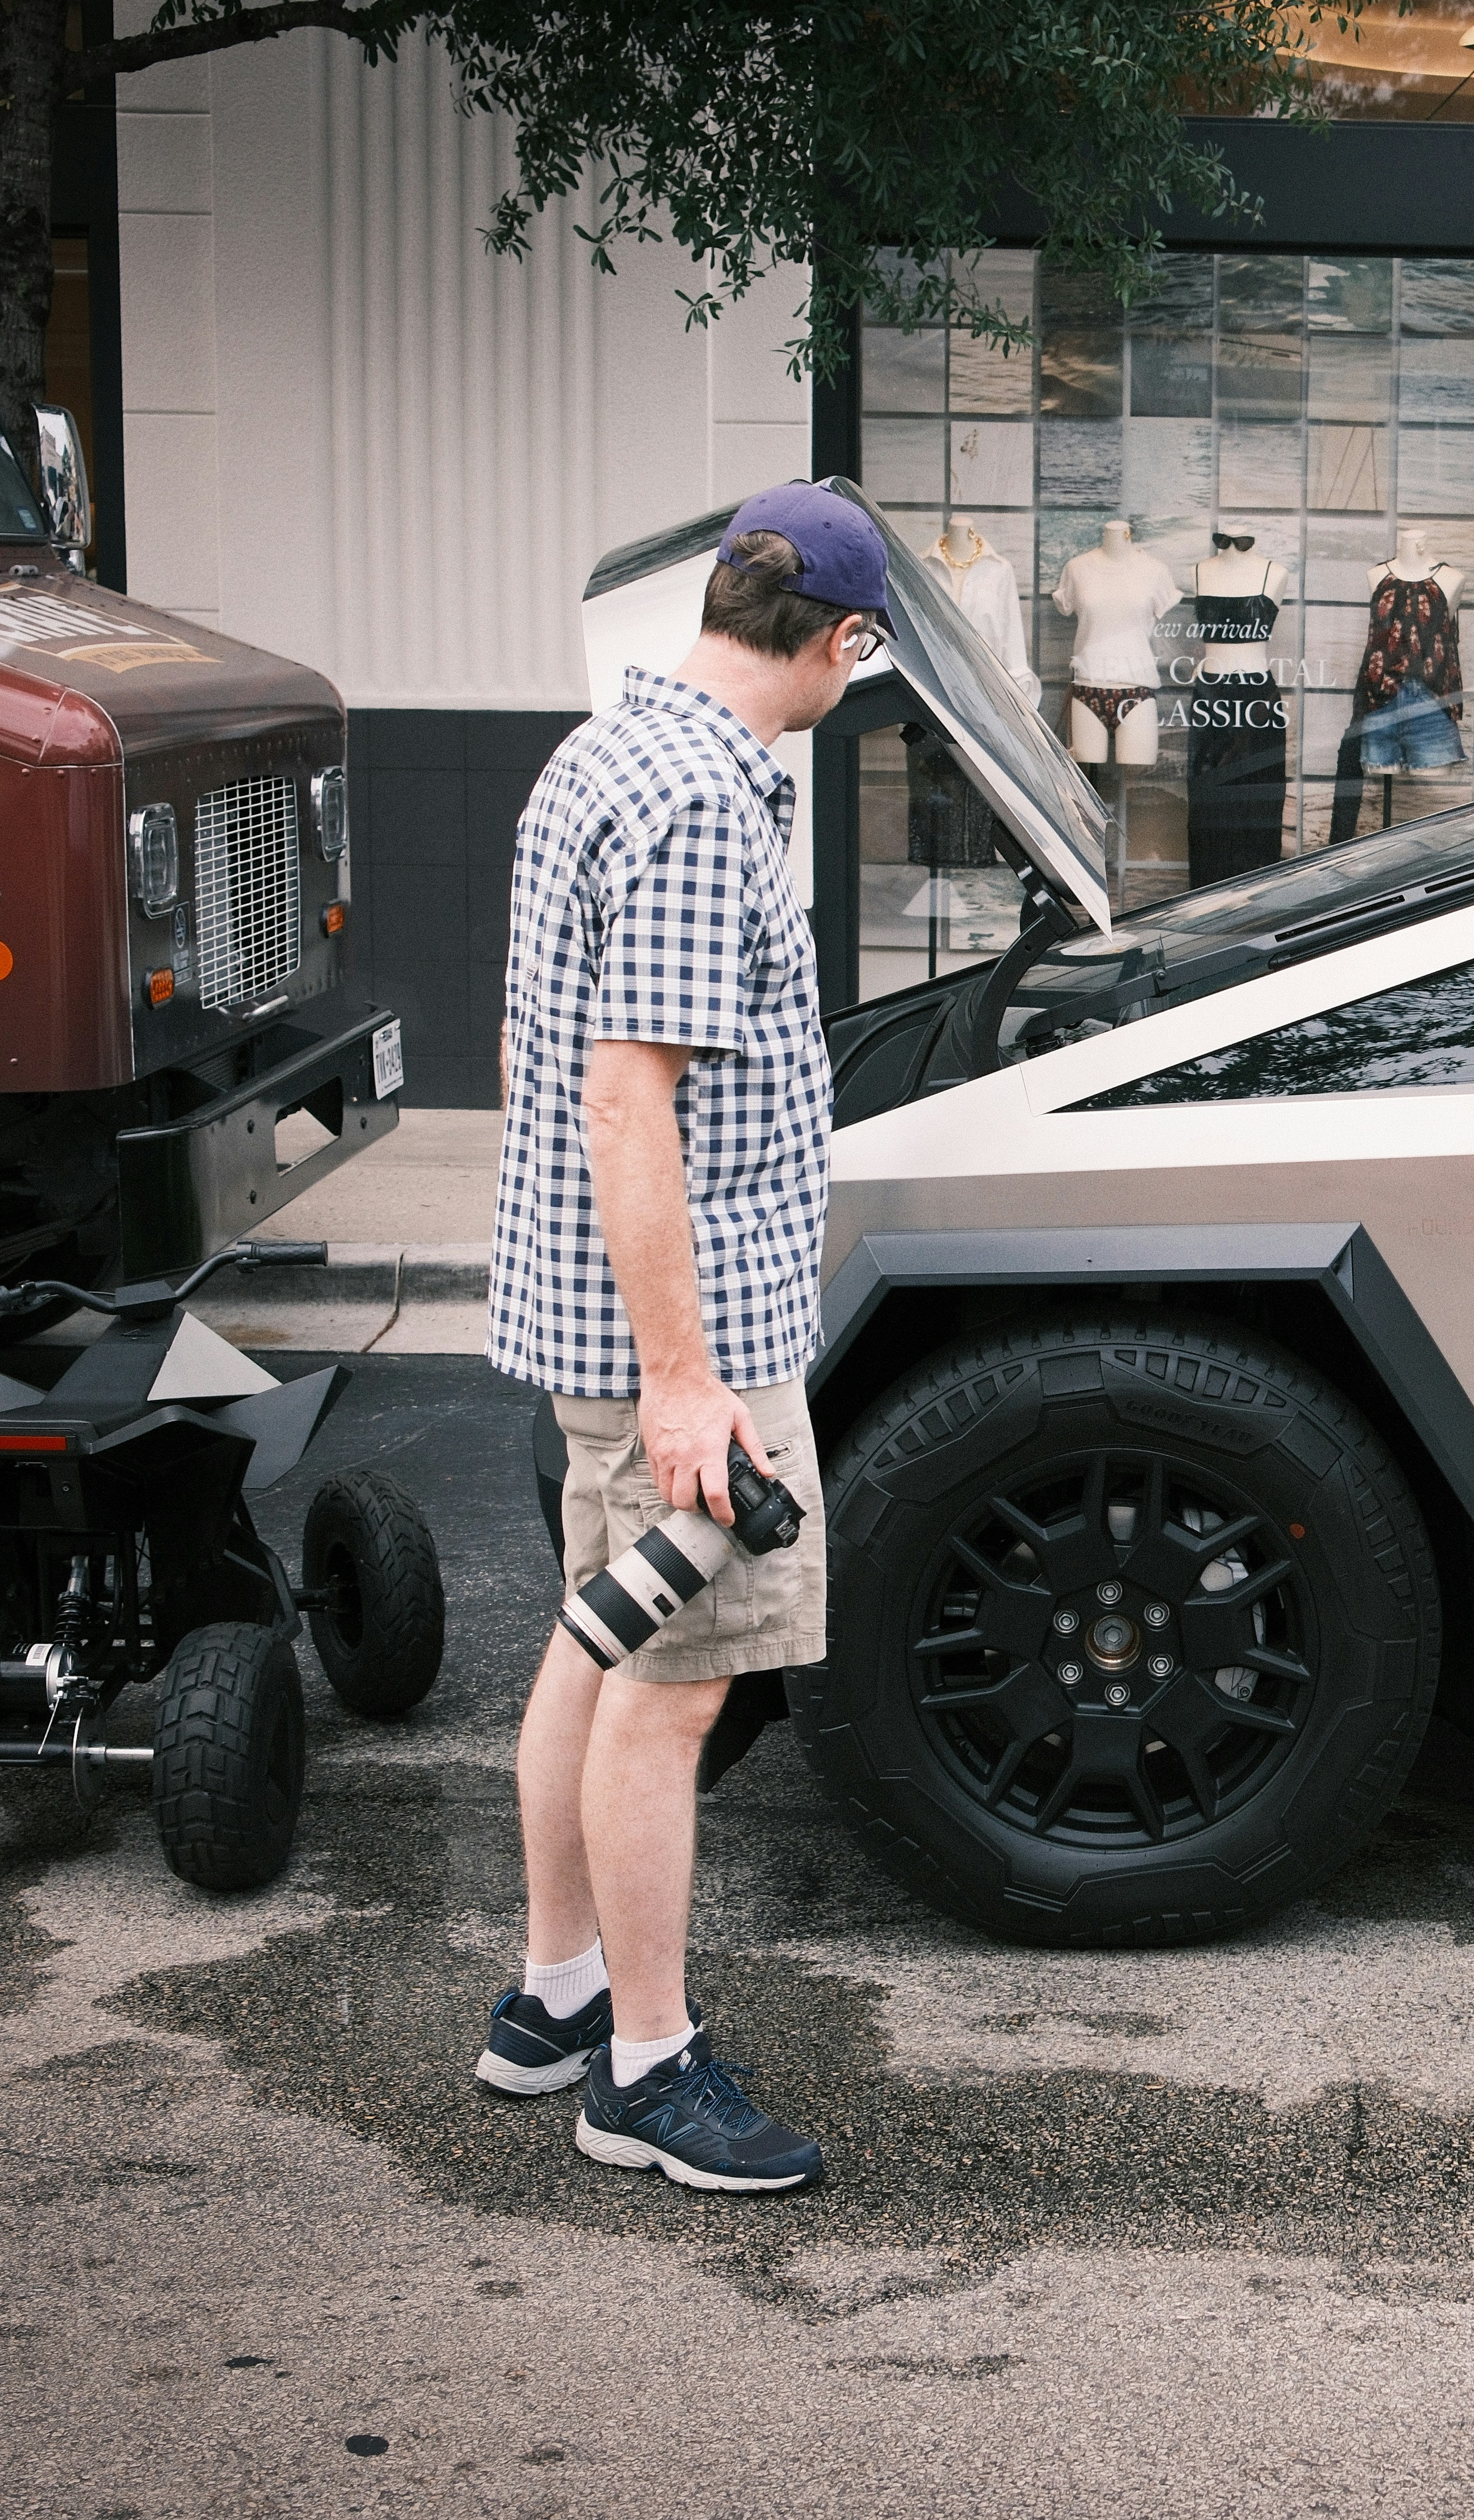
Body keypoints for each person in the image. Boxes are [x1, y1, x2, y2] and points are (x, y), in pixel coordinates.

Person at [472, 482, 881, 2193]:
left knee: (594, 1644)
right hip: (683, 1342)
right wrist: (686, 1385)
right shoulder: (713, 798)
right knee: (675, 1693)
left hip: (593, 1311)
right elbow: (630, 1101)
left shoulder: (600, 752)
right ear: (841, 643)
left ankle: (552, 1993)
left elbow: (550, 1055)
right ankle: (645, 2069)